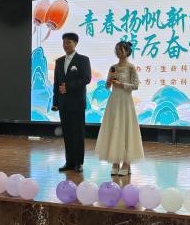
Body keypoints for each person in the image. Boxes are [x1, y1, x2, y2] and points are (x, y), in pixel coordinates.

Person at [95, 41, 144, 176]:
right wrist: (110, 80)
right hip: (114, 101)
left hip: (126, 101)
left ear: (127, 51)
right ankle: (115, 162)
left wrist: (121, 84)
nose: (118, 52)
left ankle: (126, 163)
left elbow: (135, 85)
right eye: (116, 50)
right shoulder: (113, 67)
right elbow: (107, 86)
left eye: (120, 50)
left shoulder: (131, 68)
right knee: (114, 129)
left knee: (125, 130)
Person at [52, 32, 91, 173]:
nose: (65, 45)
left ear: (75, 43)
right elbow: (56, 83)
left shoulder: (83, 60)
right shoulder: (59, 61)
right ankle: (69, 162)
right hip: (63, 103)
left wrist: (68, 87)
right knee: (67, 133)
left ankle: (79, 162)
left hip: (77, 102)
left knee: (78, 133)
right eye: (64, 42)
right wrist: (55, 102)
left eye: (68, 42)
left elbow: (86, 79)